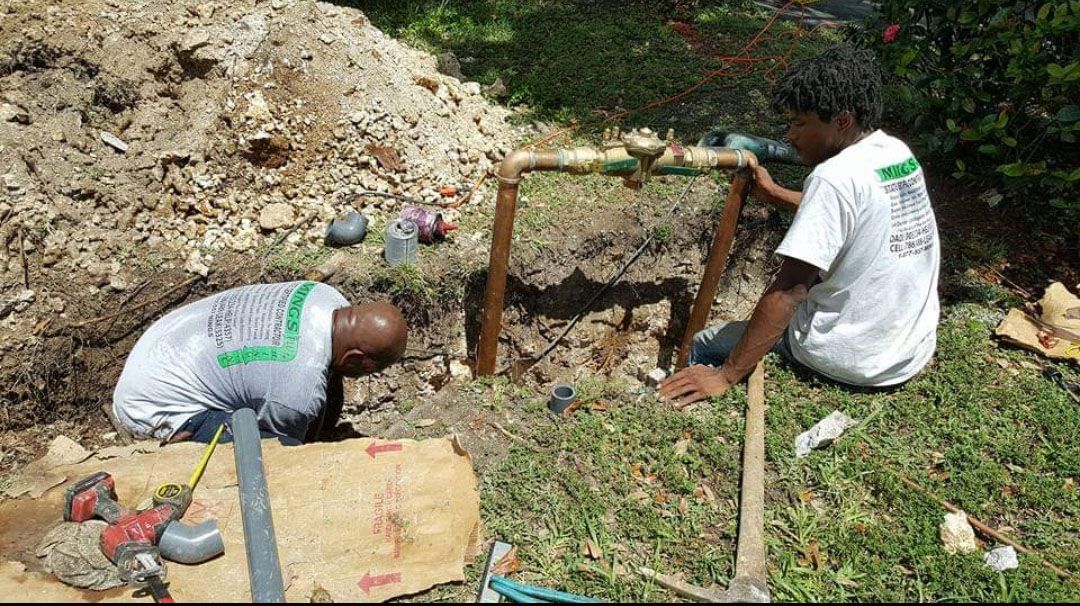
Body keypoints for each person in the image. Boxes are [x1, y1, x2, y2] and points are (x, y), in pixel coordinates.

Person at [661, 44, 940, 407]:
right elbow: (856, 217)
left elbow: (790, 291)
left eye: (800, 123)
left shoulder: (833, 178)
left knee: (705, 342)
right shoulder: (895, 153)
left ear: (841, 120)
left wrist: (726, 375)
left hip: (850, 357)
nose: (790, 135)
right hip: (905, 352)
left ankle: (674, 393)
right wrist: (775, 194)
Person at [112, 280, 408, 445]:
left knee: (325, 378)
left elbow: (323, 373)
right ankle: (185, 436)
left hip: (164, 342)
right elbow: (285, 455)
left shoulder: (325, 295)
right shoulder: (296, 393)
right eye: (370, 370)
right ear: (355, 359)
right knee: (275, 451)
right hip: (150, 402)